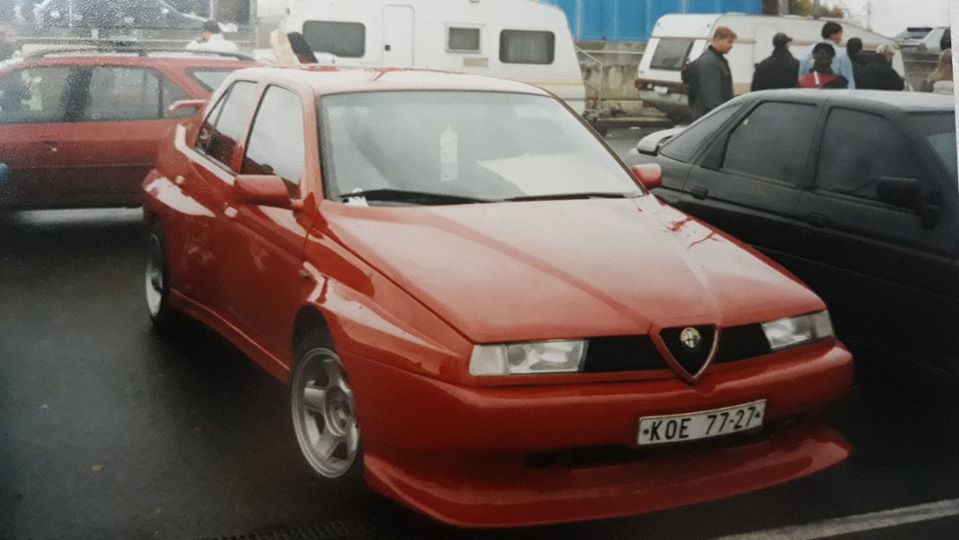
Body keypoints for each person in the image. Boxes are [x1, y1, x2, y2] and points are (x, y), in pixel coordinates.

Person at [685, 26, 736, 120]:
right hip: (711, 117)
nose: (731, 46)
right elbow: (711, 96)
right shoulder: (710, 63)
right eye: (729, 42)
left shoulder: (716, 60)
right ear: (717, 39)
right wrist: (721, 117)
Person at [798, 21, 855, 89]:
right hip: (833, 89)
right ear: (833, 35)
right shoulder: (841, 53)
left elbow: (801, 72)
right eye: (840, 35)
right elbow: (848, 77)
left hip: (808, 87)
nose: (841, 39)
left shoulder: (807, 50)